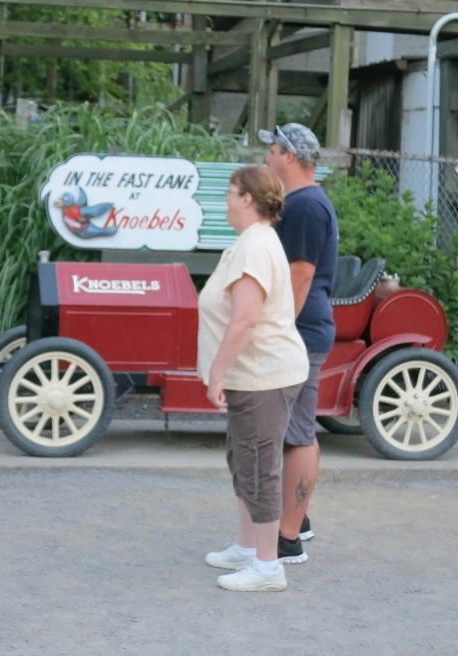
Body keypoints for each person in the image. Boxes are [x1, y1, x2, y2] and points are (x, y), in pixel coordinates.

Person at [199, 165, 309, 593]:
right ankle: (248, 547)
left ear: (247, 199)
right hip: (256, 376)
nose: (226, 198)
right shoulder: (253, 242)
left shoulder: (255, 247)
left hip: (264, 375)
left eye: (230, 191)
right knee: (244, 459)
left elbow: (245, 319)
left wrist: (216, 371)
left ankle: (267, 567)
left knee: (260, 466)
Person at [261, 123, 339, 564]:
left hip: (300, 334)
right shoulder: (301, 203)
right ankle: (298, 518)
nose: (268, 158)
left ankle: (287, 539)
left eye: (272, 150)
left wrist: (278, 331)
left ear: (289, 156)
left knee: (298, 434)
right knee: (294, 431)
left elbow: (301, 273)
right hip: (301, 331)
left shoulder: (306, 207)